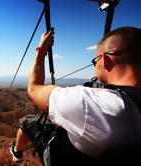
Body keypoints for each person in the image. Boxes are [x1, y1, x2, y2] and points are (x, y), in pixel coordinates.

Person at [10, 26, 141, 164]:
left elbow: (34, 88)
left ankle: (16, 153)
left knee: (27, 121)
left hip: (59, 155)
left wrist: (42, 48)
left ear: (104, 59)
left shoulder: (86, 102)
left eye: (95, 61)